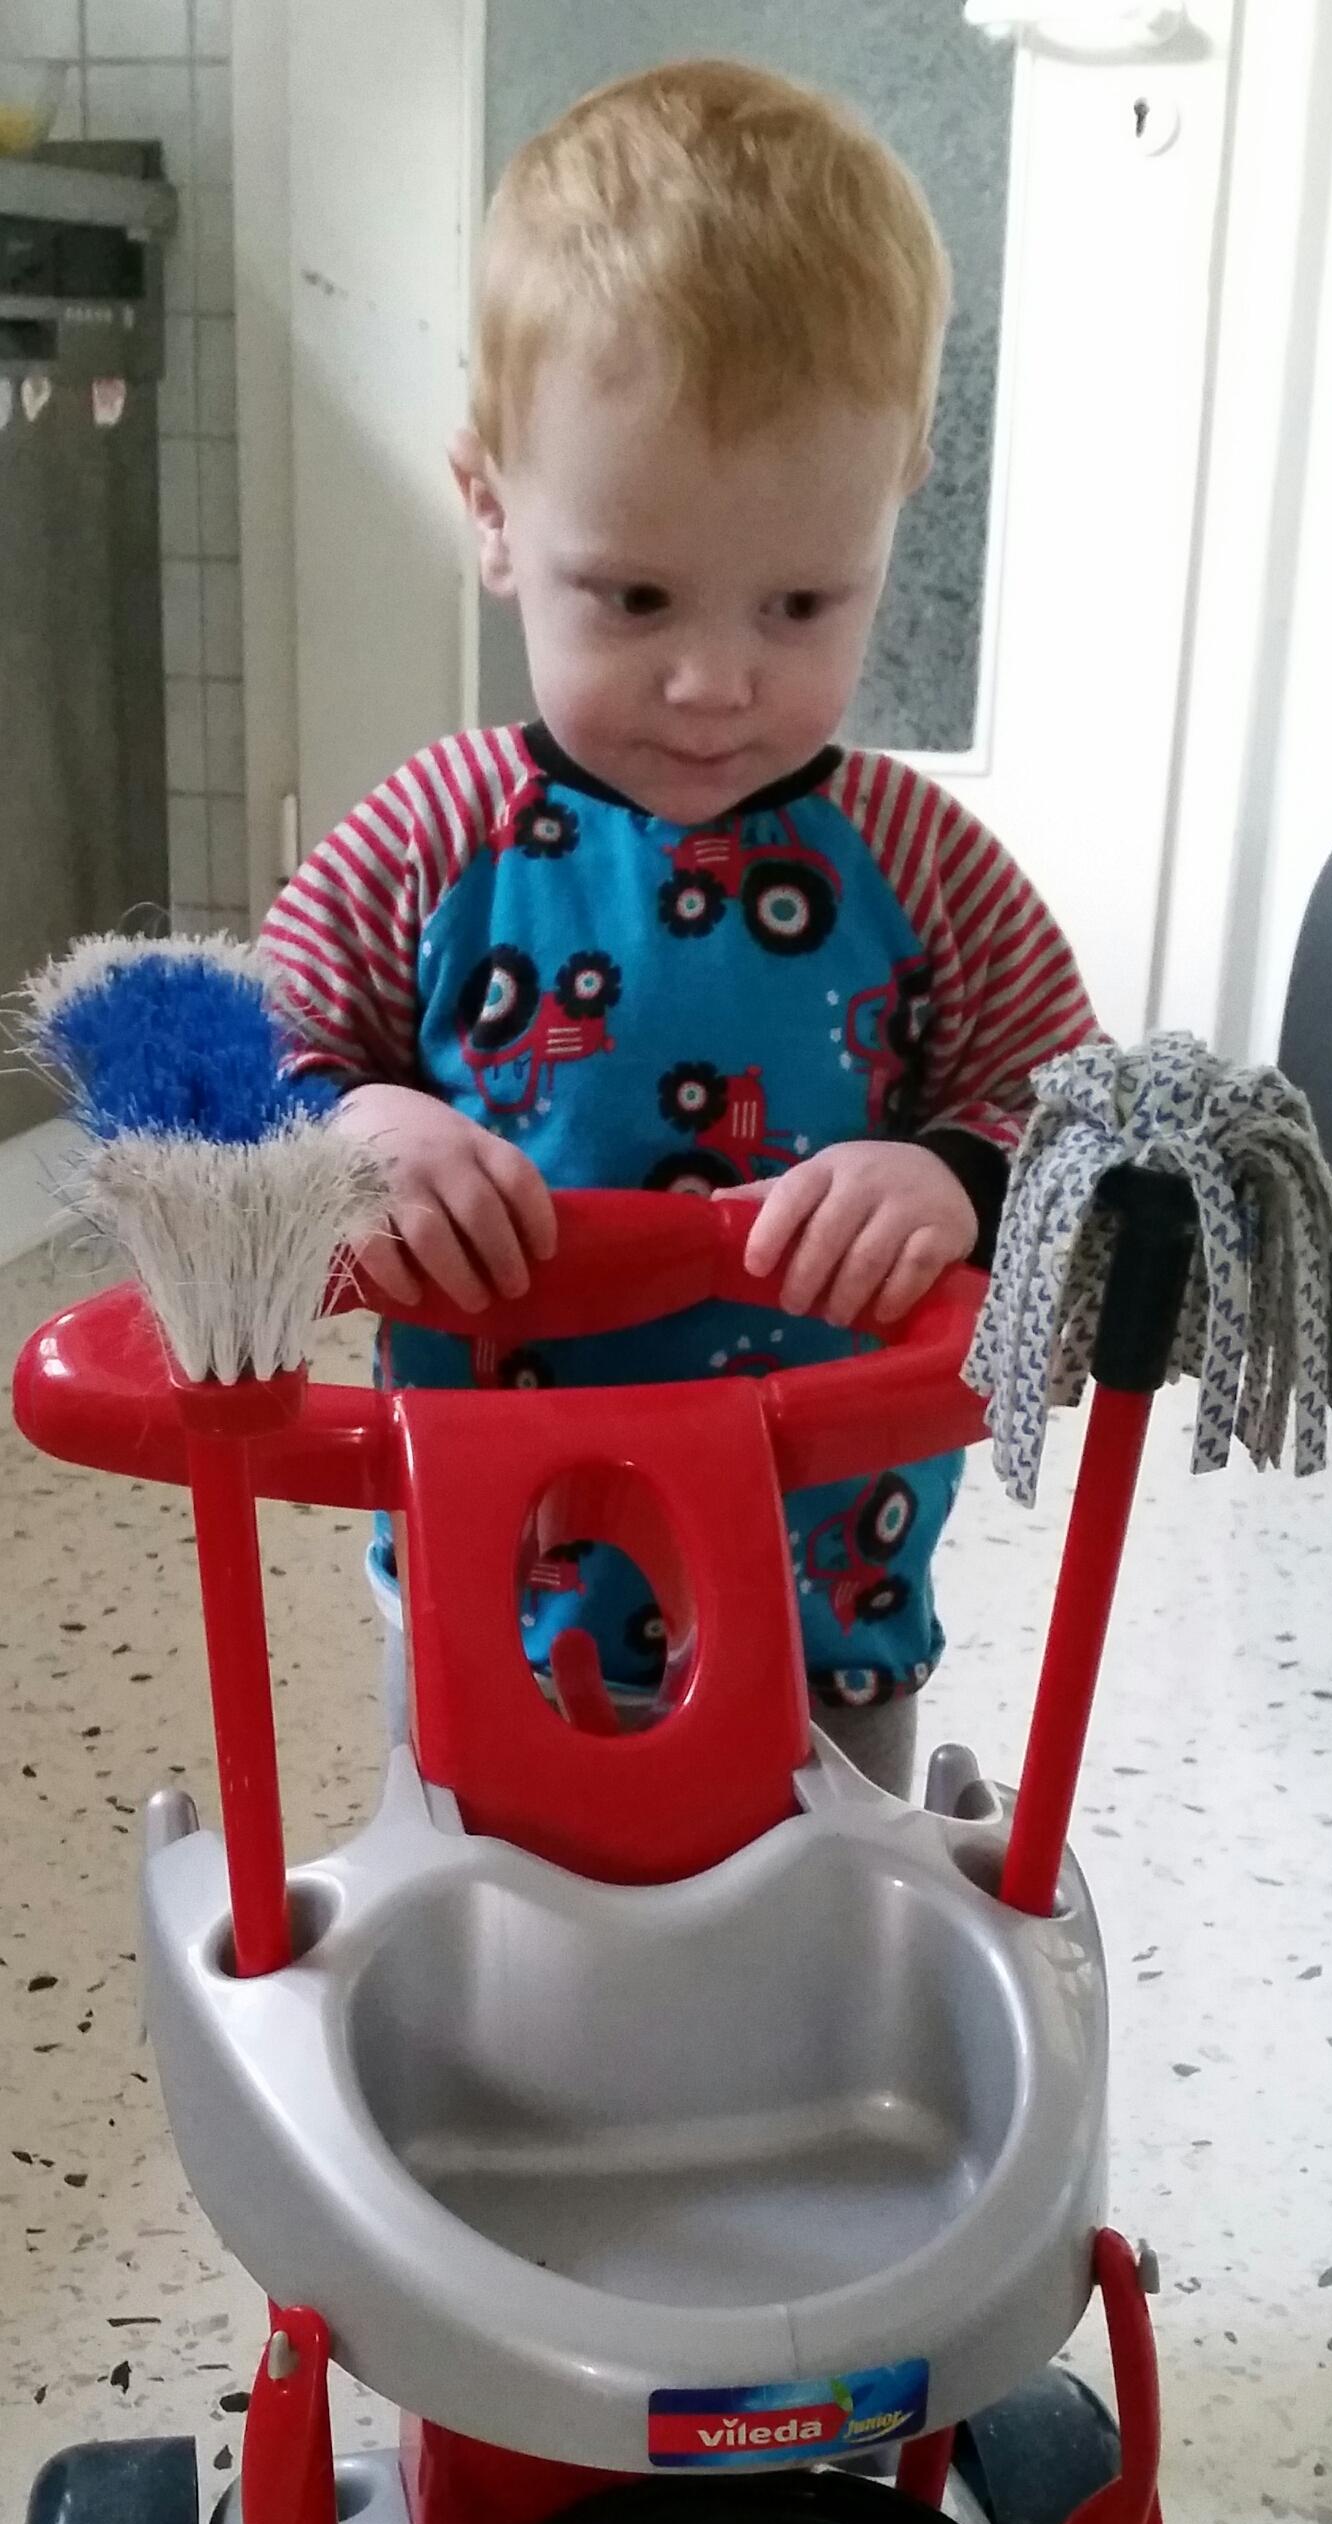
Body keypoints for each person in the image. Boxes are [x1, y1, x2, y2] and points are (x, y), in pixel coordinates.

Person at [263, 57, 1097, 1798]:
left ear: (894, 505)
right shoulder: (430, 840)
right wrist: (356, 1122)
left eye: (800, 602)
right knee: (473, 1924)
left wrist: (956, 1172)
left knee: (824, 1928)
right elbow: (235, 1053)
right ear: (492, 514)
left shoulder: (924, 867)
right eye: (635, 595)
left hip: (823, 1591)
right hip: (487, 1587)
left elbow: (1075, 1106)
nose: (717, 680)